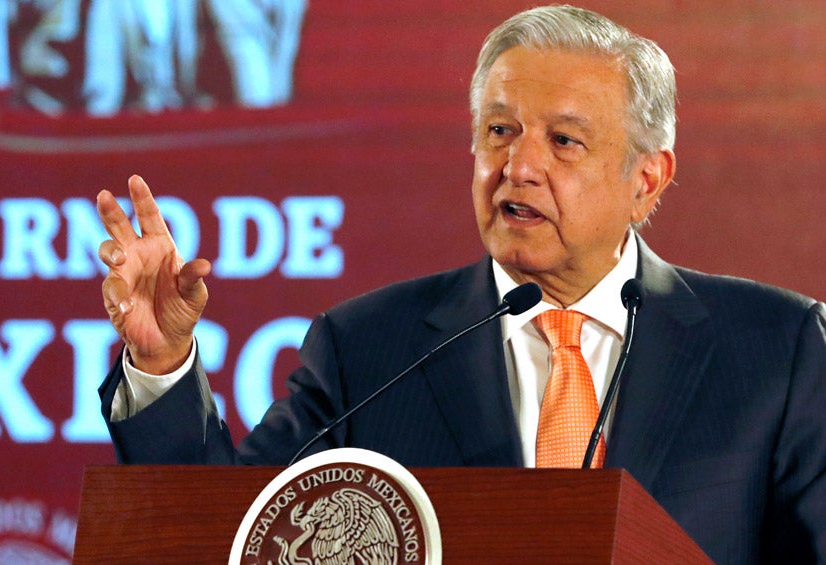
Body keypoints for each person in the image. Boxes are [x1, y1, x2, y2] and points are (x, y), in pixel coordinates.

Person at [93, 5, 825, 563]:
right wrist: (161, 364)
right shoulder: (368, 348)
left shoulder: (778, 350)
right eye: (499, 131)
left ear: (647, 178)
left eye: (563, 140)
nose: (520, 167)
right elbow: (222, 535)